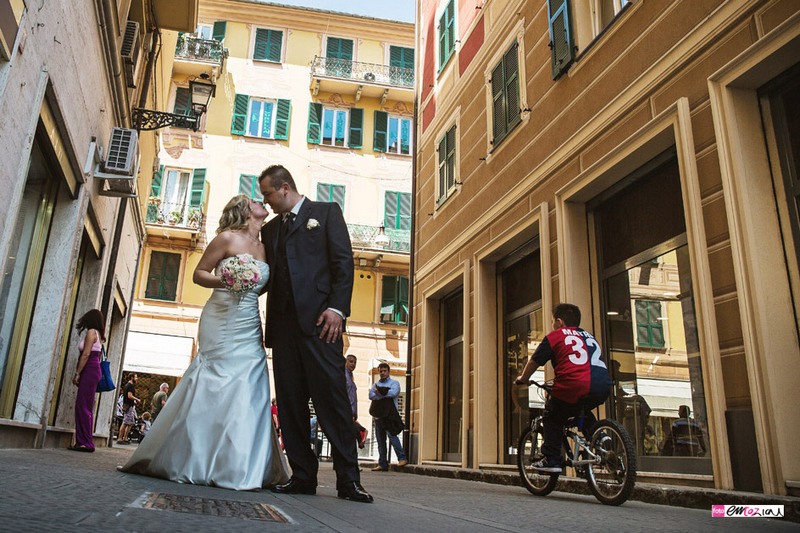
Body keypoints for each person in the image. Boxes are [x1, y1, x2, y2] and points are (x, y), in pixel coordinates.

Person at [122, 194, 289, 490]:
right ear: (243, 210)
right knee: (212, 379)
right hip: (220, 316)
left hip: (249, 321)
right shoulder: (226, 239)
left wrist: (248, 287)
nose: (261, 202)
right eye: (254, 200)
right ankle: (193, 457)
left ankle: (239, 463)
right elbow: (199, 274)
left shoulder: (266, 247)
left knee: (250, 382)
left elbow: (261, 287)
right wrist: (227, 280)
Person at [259, 164, 372, 503]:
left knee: (333, 404)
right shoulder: (271, 229)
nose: (265, 202)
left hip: (323, 326)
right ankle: (303, 476)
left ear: (283, 188)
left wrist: (337, 308)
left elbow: (343, 264)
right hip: (283, 329)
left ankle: (348, 481)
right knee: (291, 404)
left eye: (267, 194)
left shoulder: (325, 213)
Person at [514, 303, 613, 472]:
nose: (553, 325)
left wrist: (523, 378)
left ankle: (551, 459)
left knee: (552, 416)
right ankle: (600, 438)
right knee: (582, 410)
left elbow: (534, 362)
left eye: (553, 321)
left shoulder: (556, 336)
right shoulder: (589, 337)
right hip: (602, 384)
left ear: (559, 322)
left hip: (573, 384)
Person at [68, 309, 106, 452]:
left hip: (89, 368)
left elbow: (86, 354)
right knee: (86, 406)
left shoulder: (91, 332)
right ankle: (85, 441)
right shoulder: (99, 334)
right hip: (94, 369)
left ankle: (84, 443)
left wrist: (77, 373)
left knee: (82, 406)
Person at [369, 363, 408, 471]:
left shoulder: (394, 383)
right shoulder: (375, 384)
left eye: (384, 371)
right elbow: (371, 395)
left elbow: (393, 393)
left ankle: (402, 458)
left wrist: (380, 393)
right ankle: (382, 463)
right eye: (380, 371)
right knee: (380, 441)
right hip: (378, 416)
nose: (382, 373)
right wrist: (382, 394)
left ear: (388, 371)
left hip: (389, 416)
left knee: (393, 437)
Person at [345, 354, 368, 449]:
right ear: (345, 362)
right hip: (346, 410)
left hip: (351, 412)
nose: (353, 364)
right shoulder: (344, 375)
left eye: (355, 362)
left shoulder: (351, 377)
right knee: (348, 436)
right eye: (351, 361)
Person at [117, 373, 140, 445]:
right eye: (135, 377)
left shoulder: (129, 385)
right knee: (125, 422)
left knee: (130, 423)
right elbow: (129, 396)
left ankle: (125, 437)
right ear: (132, 377)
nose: (137, 379)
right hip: (129, 406)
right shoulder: (130, 386)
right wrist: (137, 399)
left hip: (130, 406)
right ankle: (120, 438)